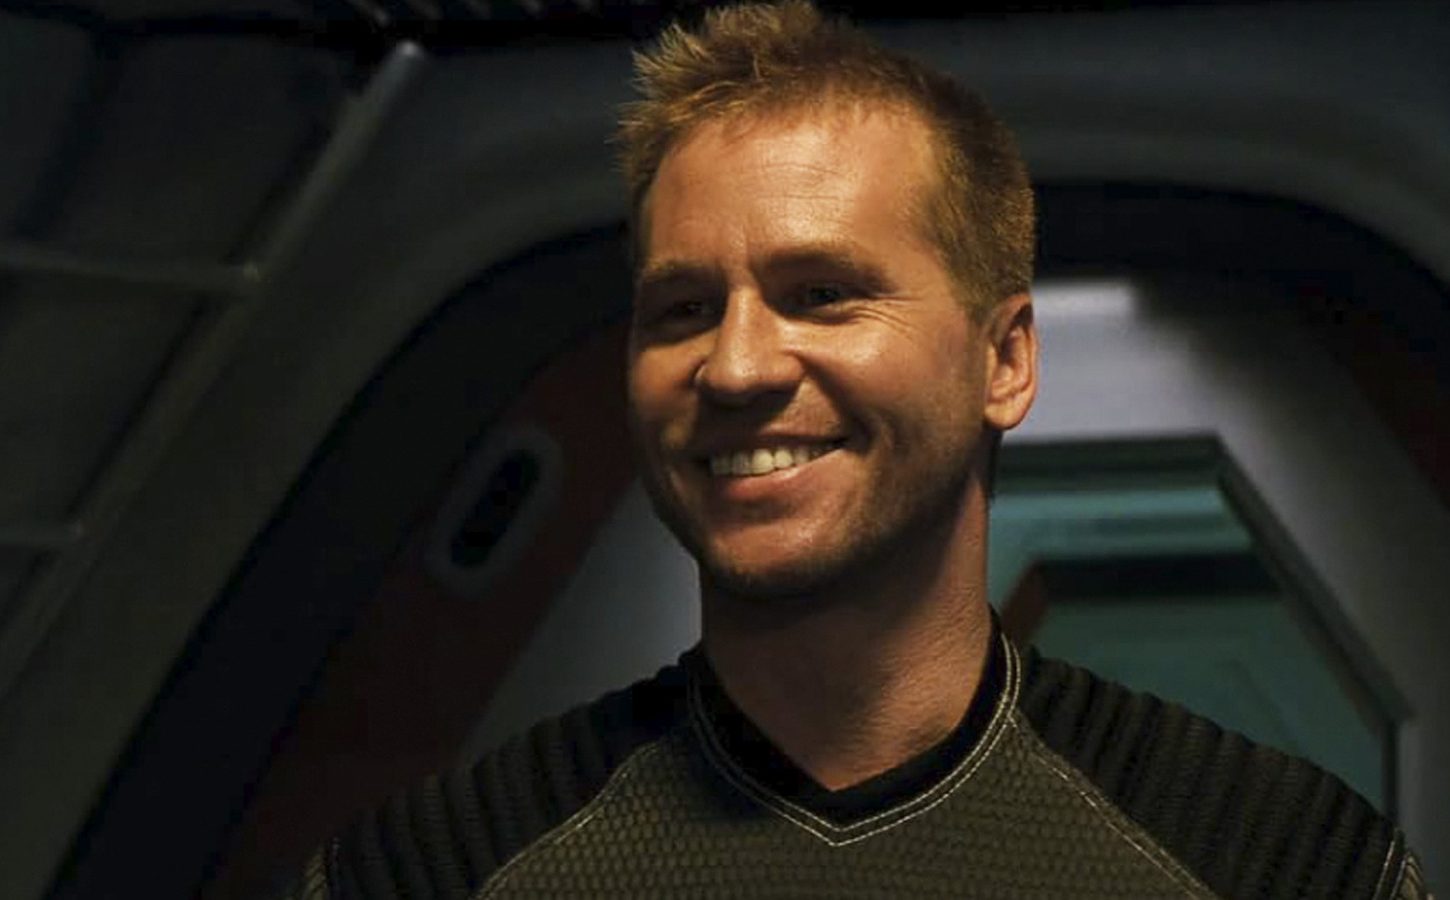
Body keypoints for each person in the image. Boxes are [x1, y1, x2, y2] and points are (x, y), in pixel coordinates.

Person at [284, 2, 1425, 896]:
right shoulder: (430, 874)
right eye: (682, 309)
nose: (735, 367)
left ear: (1004, 361)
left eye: (821, 294)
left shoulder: (1274, 861)